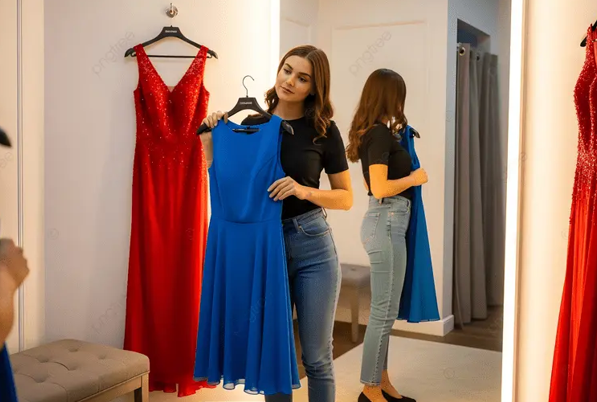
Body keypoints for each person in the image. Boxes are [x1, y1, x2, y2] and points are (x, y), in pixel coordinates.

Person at [199, 45, 353, 402]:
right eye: (287, 70)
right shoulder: (252, 124)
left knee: (317, 356)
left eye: (303, 78)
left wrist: (303, 189)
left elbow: (345, 198)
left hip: (312, 244)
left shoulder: (324, 132)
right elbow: (231, 184)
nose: (290, 81)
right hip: (264, 248)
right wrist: (211, 143)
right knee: (273, 354)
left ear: (314, 88)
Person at [345, 68, 427, 402]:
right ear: (388, 96)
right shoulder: (378, 134)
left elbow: (370, 183)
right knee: (382, 312)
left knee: (386, 311)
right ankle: (369, 388)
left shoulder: (376, 134)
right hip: (387, 222)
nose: (401, 103)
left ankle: (382, 380)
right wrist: (414, 178)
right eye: (398, 96)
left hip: (387, 222)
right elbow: (378, 188)